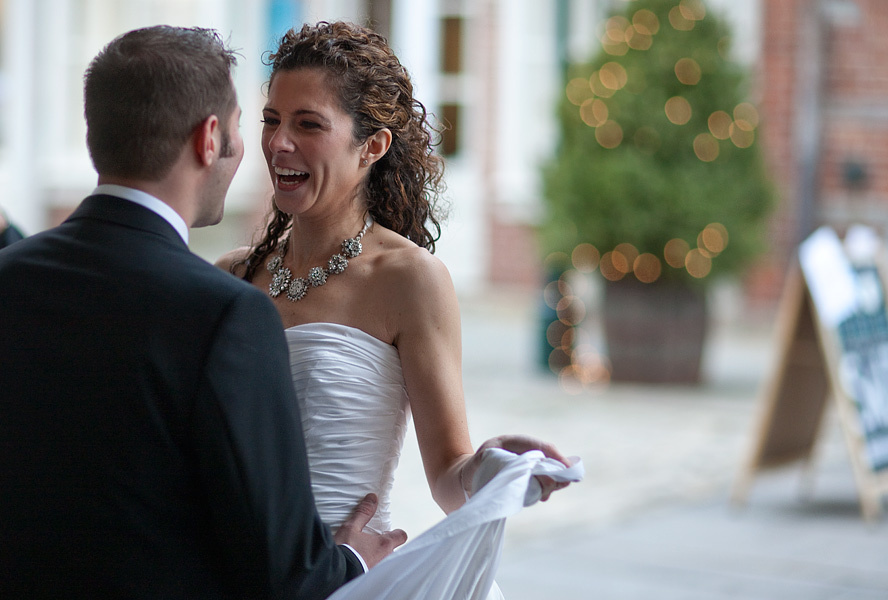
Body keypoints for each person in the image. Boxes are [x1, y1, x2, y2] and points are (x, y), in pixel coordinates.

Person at [0, 25, 406, 600]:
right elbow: (286, 573)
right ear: (209, 138)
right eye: (251, 125)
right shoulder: (224, 314)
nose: (255, 149)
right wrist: (351, 562)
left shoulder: (9, 276)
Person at [217, 21, 575, 599]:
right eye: (271, 120)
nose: (279, 143)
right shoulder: (232, 277)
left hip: (348, 581)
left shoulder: (411, 281)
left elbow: (449, 478)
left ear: (372, 146)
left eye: (308, 124)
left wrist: (493, 465)